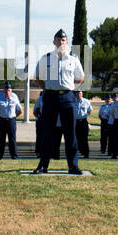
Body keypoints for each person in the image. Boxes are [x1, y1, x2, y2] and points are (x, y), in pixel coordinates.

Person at [30, 29, 86, 175]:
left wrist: (70, 88)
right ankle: (43, 165)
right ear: (54, 42)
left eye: (63, 40)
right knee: (47, 133)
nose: (61, 42)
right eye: (58, 40)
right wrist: (47, 88)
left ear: (66, 42)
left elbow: (81, 77)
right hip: (50, 97)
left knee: (70, 134)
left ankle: (73, 166)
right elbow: (36, 77)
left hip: (67, 98)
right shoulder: (46, 58)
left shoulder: (73, 59)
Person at [0, 83, 22, 160]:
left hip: (11, 120)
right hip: (2, 120)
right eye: (5, 90)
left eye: (8, 90)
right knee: (1, 139)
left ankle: (14, 156)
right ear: (3, 90)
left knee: (12, 139)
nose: (7, 92)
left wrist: (14, 117)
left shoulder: (14, 97)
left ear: (11, 90)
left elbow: (20, 110)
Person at [73, 89, 92, 160]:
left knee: (84, 138)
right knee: (76, 138)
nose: (78, 95)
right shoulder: (73, 101)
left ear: (82, 94)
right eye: (77, 94)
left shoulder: (86, 101)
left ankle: (86, 153)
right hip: (76, 121)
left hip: (83, 121)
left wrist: (85, 116)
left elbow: (90, 111)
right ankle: (76, 153)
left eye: (80, 94)